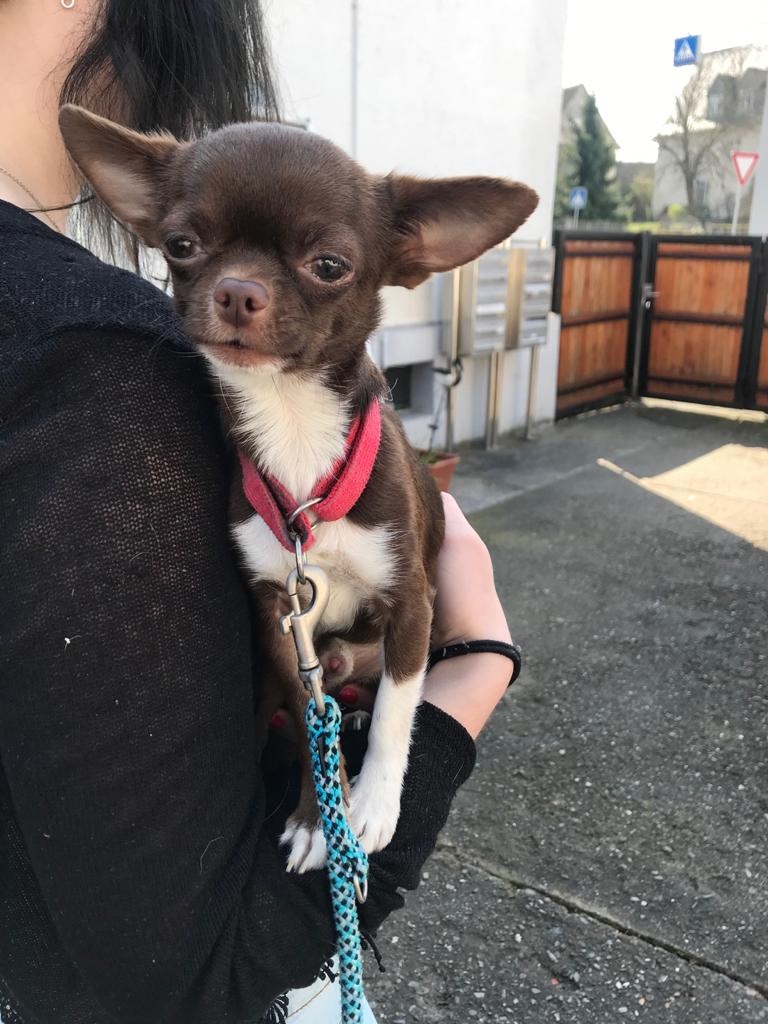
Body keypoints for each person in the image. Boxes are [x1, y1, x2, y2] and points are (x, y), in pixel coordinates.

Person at [0, 1, 515, 1021]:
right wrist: (482, 662)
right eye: (192, 247)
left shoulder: (103, 363)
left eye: (321, 265)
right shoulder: (109, 371)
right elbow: (200, 966)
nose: (239, 291)